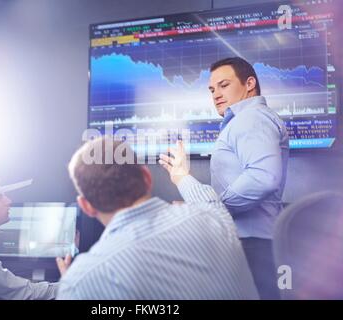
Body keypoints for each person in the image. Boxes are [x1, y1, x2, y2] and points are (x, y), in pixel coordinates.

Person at [56, 137, 258, 300]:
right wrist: (180, 175)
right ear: (147, 177)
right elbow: (209, 201)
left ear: (86, 206)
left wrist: (73, 286)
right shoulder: (215, 218)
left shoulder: (81, 281)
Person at [159, 57, 289, 299]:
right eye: (211, 89)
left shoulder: (251, 118)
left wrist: (212, 207)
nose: (216, 94)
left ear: (249, 83)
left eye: (224, 85)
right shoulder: (245, 121)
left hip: (251, 246)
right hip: (251, 244)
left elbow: (263, 178)